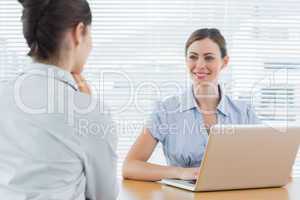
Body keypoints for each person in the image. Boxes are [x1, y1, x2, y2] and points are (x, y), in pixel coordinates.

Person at [0, 0, 118, 199]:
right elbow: (104, 195)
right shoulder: (90, 112)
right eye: (90, 33)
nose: (92, 44)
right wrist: (87, 106)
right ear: (79, 32)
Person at [122, 28, 260, 181]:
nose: (200, 65)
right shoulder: (167, 111)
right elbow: (130, 166)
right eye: (193, 57)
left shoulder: (244, 113)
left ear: (224, 62)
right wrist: (180, 173)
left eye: (209, 58)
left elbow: (267, 163)